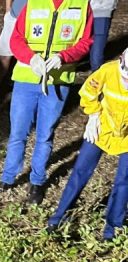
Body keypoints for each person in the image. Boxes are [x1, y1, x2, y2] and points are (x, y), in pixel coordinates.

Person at [0, 0, 94, 206]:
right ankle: (8, 179)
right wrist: (31, 58)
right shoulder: (34, 2)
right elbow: (16, 38)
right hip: (26, 79)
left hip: (57, 81)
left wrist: (63, 57)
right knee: (18, 133)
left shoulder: (82, 5)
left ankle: (37, 181)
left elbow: (86, 41)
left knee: (45, 135)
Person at [49, 48, 128, 240]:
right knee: (80, 171)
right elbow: (88, 91)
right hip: (101, 128)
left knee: (124, 181)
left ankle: (112, 229)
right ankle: (59, 218)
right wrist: (93, 115)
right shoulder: (108, 71)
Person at [90, 1, 120, 71]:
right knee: (99, 41)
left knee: (87, 38)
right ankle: (96, 71)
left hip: (85, 8)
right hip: (102, 9)